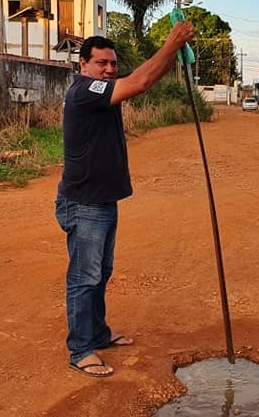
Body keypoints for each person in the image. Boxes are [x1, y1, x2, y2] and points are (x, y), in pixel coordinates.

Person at [56, 21, 195, 377]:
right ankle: (81, 349)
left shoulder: (104, 88)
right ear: (83, 64)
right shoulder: (84, 91)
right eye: (101, 62)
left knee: (101, 272)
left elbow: (143, 79)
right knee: (84, 276)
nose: (109, 69)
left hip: (102, 198)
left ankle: (98, 334)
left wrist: (173, 53)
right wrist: (171, 41)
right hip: (85, 201)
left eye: (113, 64)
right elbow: (141, 82)